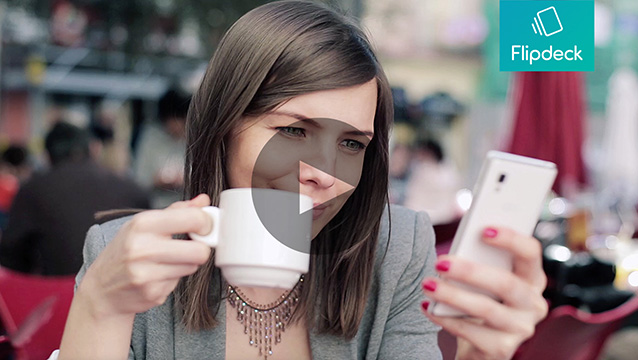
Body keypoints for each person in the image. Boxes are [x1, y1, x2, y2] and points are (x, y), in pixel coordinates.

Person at [57, 2, 548, 359]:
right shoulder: (122, 258)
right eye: (292, 131)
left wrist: (482, 356)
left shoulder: (395, 251)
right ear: (223, 128)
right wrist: (100, 308)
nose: (324, 175)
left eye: (352, 144)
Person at [0, 122, 150, 275]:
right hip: (125, 288)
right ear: (93, 149)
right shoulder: (133, 189)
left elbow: (11, 256)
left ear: (47, 156)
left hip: (56, 292)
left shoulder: (33, 189)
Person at [133, 89, 190, 209]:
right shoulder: (151, 138)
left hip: (187, 205)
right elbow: (139, 180)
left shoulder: (191, 138)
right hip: (155, 207)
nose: (179, 128)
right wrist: (157, 181)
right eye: (176, 121)